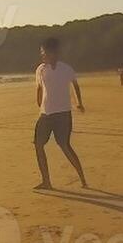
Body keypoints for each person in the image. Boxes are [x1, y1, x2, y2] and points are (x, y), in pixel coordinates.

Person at [33, 37, 88, 191]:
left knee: (64, 145)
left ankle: (83, 178)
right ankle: (46, 181)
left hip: (63, 114)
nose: (42, 55)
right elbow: (39, 89)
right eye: (41, 52)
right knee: (38, 145)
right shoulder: (41, 69)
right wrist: (40, 106)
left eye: (44, 52)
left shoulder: (66, 69)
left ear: (54, 52)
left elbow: (75, 85)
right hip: (45, 114)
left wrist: (79, 102)